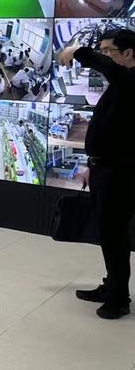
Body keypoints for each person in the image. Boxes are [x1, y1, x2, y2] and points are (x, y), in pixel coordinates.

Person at [59, 28, 135, 319]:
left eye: (108, 51)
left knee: (114, 236)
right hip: (105, 168)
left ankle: (118, 298)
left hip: (120, 174)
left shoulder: (129, 79)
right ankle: (112, 286)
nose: (104, 56)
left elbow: (106, 67)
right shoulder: (121, 83)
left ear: (128, 54)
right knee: (108, 233)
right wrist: (92, 164)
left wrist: (77, 52)